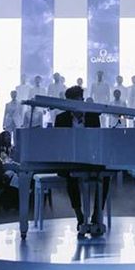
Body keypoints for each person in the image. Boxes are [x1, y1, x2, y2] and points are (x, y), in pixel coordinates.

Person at [54, 86, 109, 232]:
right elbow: (58, 143)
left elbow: (98, 139)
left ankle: (97, 213)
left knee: (106, 175)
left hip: (91, 157)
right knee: (70, 176)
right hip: (70, 158)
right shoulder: (61, 118)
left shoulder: (92, 116)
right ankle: (79, 216)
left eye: (79, 100)